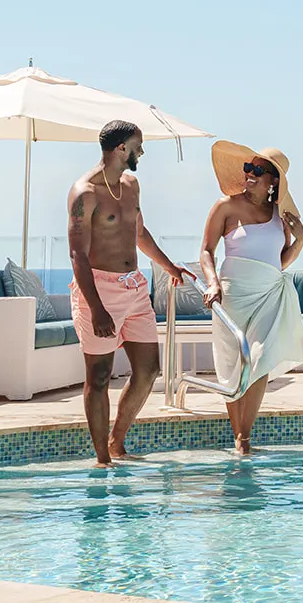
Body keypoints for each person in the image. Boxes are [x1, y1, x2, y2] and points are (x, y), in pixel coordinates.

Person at [66, 120, 195, 467]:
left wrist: (168, 266)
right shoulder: (85, 193)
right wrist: (96, 308)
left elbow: (138, 231)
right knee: (99, 376)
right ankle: (102, 459)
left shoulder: (131, 185)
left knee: (149, 369)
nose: (142, 152)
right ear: (121, 148)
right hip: (99, 289)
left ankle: (117, 441)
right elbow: (77, 253)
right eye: (139, 146)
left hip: (134, 287)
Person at [199, 141, 303, 455]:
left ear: (273, 180)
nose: (250, 174)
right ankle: (239, 436)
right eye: (249, 168)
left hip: (269, 293)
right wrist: (212, 283)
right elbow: (206, 251)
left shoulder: (279, 214)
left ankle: (244, 438)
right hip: (232, 293)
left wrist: (300, 241)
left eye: (258, 170)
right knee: (233, 365)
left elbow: (278, 259)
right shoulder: (225, 206)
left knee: (259, 361)